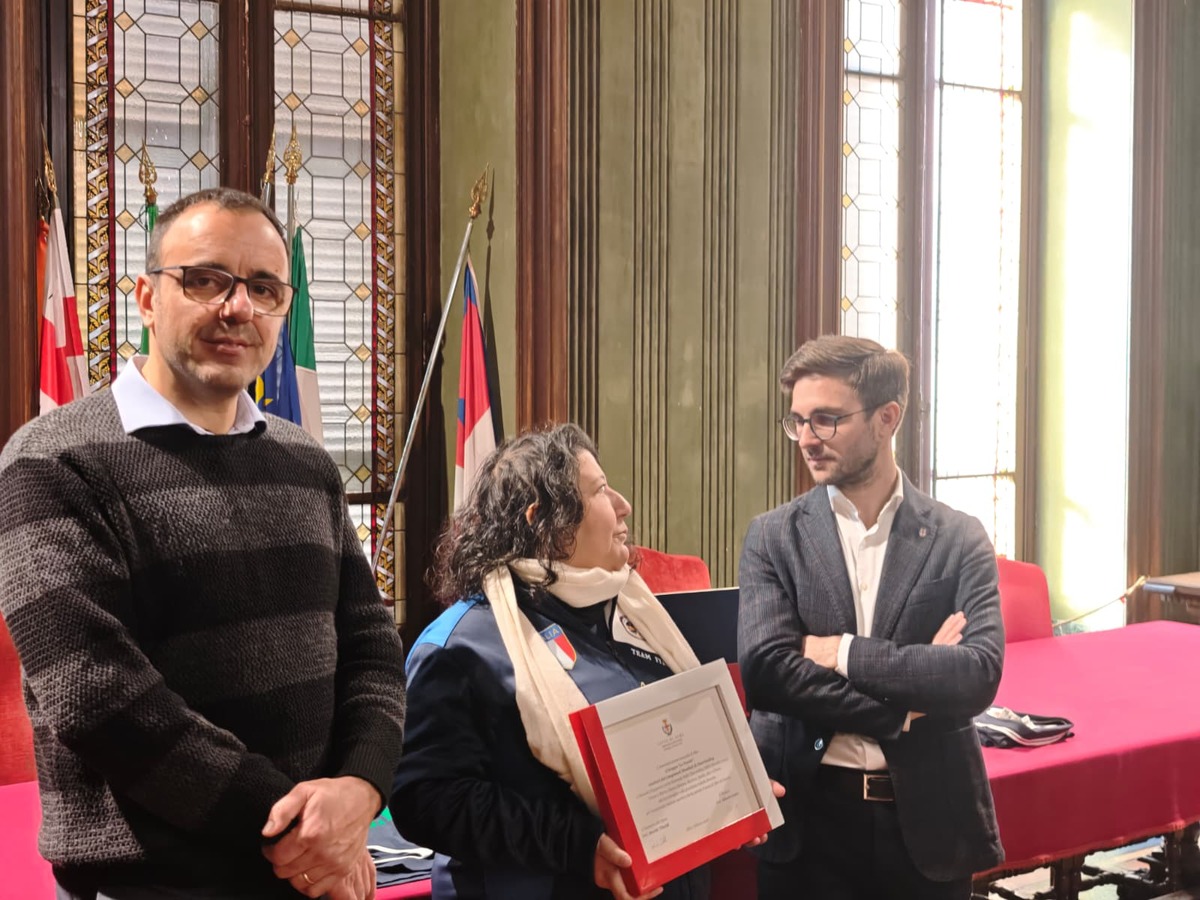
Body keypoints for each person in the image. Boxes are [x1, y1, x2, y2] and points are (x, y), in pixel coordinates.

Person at [0, 187, 406, 900]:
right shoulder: (52, 461)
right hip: (152, 885)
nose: (238, 307)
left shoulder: (305, 460)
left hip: (310, 871)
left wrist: (359, 788)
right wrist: (302, 831)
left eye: (264, 288)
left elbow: (372, 646)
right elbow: (97, 697)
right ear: (147, 298)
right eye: (205, 279)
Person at [392, 424, 736, 900]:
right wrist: (577, 845)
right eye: (600, 490)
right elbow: (426, 801)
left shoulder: (629, 614)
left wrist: (732, 790)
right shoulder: (459, 647)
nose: (622, 505)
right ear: (542, 520)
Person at [738, 335, 1004, 900]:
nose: (807, 439)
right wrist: (902, 707)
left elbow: (977, 674)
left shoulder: (959, 538)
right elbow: (767, 673)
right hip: (807, 822)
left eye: (826, 419)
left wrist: (840, 652)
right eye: (798, 421)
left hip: (930, 824)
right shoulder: (773, 536)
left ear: (887, 419)